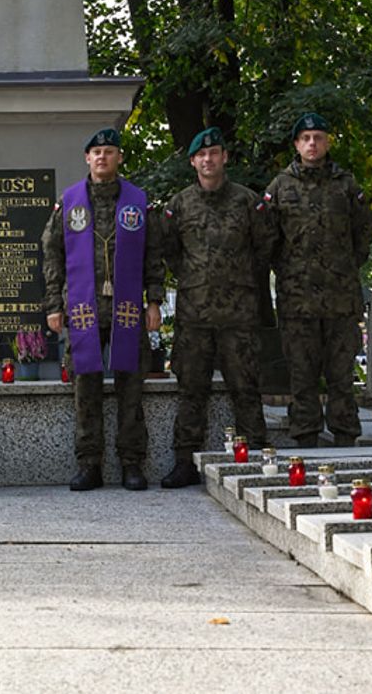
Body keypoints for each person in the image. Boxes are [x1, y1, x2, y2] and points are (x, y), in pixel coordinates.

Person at [42, 127, 164, 491]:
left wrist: (154, 301)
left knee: (131, 388)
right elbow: (52, 254)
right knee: (86, 389)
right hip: (83, 309)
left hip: (126, 309)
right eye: (96, 152)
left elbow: (154, 254)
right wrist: (53, 304)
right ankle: (89, 463)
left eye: (109, 151)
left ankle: (131, 463)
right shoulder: (70, 202)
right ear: (86, 158)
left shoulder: (138, 202)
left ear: (119, 158)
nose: (102, 157)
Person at [160, 127, 274, 488]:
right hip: (194, 315)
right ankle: (184, 461)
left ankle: (255, 458)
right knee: (191, 390)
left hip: (239, 314)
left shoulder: (247, 201)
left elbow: (264, 248)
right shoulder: (179, 205)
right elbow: (170, 252)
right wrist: (195, 278)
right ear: (193, 161)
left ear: (224, 157)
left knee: (246, 387)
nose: (208, 160)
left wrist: (236, 278)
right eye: (201, 155)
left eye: (215, 153)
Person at [259, 112, 372, 448]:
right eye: (306, 138)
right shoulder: (280, 187)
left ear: (327, 142)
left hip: (341, 299)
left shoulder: (346, 184)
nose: (312, 143)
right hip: (297, 300)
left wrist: (347, 266)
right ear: (296, 144)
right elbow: (266, 238)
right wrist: (286, 269)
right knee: (302, 375)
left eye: (318, 137)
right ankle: (306, 439)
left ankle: (344, 436)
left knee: (341, 375)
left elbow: (364, 230)